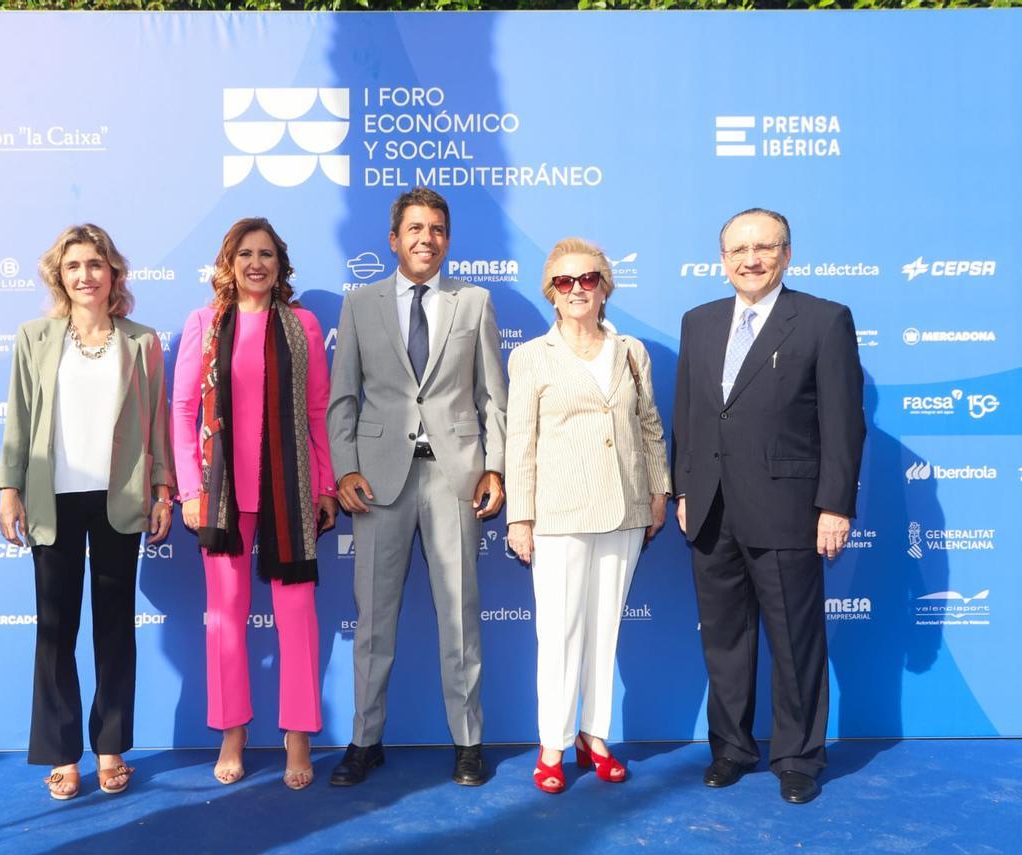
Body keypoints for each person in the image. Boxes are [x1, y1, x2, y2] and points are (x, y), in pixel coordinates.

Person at [672, 208, 865, 804]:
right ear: (721, 259)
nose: (750, 260)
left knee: (794, 638)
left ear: (787, 254)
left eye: (764, 247)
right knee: (725, 639)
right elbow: (689, 414)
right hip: (710, 507)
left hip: (788, 507)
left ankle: (799, 756)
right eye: (738, 250)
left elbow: (843, 422)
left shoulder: (823, 320)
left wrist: (834, 506)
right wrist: (683, 489)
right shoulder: (699, 322)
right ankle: (730, 749)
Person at [326, 187, 508, 787]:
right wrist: (345, 469)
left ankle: (468, 742)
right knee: (374, 620)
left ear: (447, 240)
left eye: (435, 229)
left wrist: (495, 467)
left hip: (454, 477)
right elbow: (343, 399)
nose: (425, 238)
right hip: (378, 483)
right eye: (414, 228)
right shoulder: (361, 303)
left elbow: (492, 400)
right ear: (394, 239)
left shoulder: (474, 302)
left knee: (460, 615)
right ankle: (365, 740)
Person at [0, 223, 175, 801]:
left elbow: (157, 425)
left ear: (112, 273)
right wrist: (8, 489)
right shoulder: (35, 338)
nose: (85, 276)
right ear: (59, 276)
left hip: (120, 499)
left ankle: (112, 747)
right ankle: (62, 754)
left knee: (115, 628)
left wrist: (164, 488)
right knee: (55, 630)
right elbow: (18, 420)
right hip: (52, 501)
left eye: (95, 264)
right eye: (73, 266)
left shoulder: (142, 343)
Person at [172, 218, 337, 791]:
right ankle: (232, 732)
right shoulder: (203, 324)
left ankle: (297, 737)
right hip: (222, 498)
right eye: (245, 253)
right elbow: (182, 409)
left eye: (266, 253)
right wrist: (191, 490)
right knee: (225, 621)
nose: (256, 263)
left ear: (280, 264)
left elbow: (318, 412)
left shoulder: (304, 326)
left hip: (289, 496)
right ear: (229, 261)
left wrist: (324, 487)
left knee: (297, 622)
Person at [505, 238, 671, 794]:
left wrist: (658, 493)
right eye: (564, 282)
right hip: (559, 516)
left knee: (605, 630)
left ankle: (594, 737)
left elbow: (649, 426)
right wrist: (519, 517)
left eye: (588, 279)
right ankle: (552, 744)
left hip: (624, 510)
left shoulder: (630, 352)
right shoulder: (530, 356)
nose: (577, 290)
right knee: (560, 632)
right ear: (551, 293)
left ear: (605, 287)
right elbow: (519, 442)